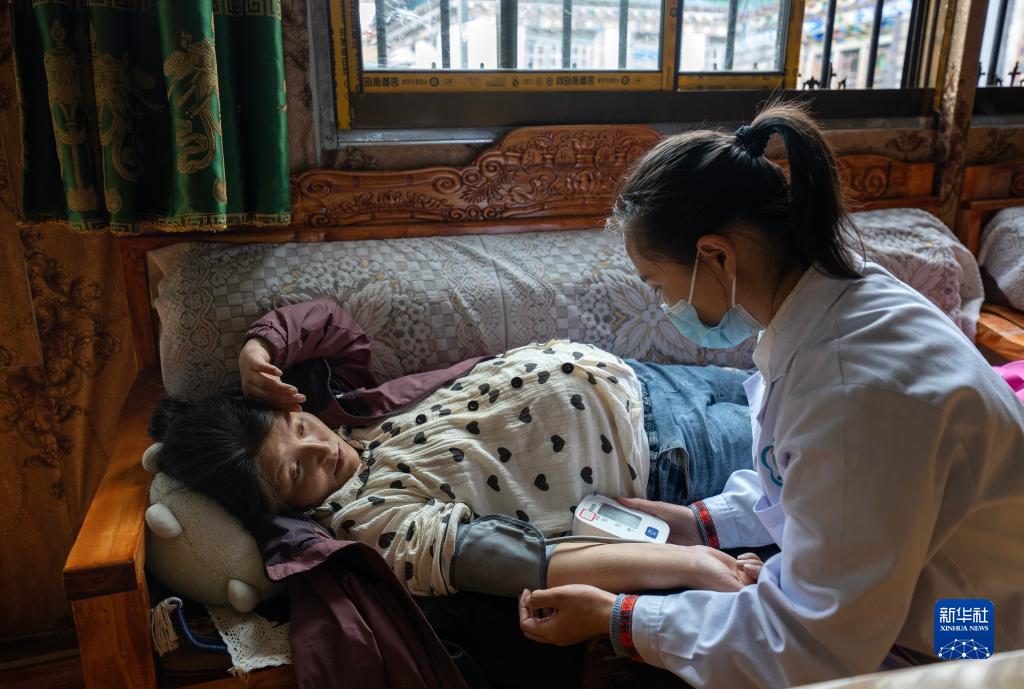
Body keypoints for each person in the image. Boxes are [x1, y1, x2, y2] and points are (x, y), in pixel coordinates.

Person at [517, 101, 1024, 686]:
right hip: (942, 582)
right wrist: (701, 523)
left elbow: (809, 646)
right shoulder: (837, 300)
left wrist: (621, 618)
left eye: (660, 286)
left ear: (716, 256)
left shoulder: (852, 392)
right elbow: (801, 472)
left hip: (976, 629)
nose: (666, 305)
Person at [149, 299, 766, 602]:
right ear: (279, 505)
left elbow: (332, 324)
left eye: (299, 427)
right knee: (824, 454)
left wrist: (257, 351)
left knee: (808, 384)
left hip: (642, 379)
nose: (319, 449)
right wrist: (686, 565)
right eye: (294, 470)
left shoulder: (347, 416)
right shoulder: (369, 525)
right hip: (669, 456)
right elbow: (532, 564)